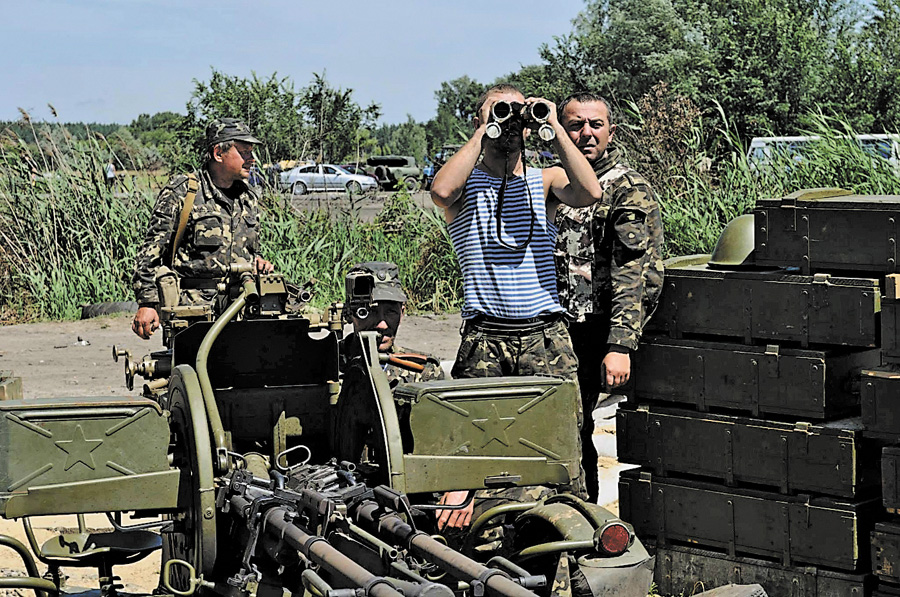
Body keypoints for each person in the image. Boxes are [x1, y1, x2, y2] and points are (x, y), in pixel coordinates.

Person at [430, 83, 603, 527]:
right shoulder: (467, 187)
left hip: (545, 336)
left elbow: (590, 191)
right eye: (498, 114)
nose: (510, 123)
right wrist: (487, 128)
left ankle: (570, 546)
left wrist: (550, 125)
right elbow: (441, 191)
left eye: (515, 115)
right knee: (478, 451)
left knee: (561, 449)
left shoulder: (543, 181)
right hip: (485, 337)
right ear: (478, 121)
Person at [552, 92, 665, 503]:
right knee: (562, 427)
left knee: (577, 426)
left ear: (610, 131)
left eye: (594, 125)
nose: (585, 134)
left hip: (595, 329)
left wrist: (619, 345)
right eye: (575, 125)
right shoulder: (555, 182)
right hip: (557, 327)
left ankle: (584, 519)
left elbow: (631, 273)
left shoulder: (625, 189)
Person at [131, 118, 274, 340]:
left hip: (242, 309)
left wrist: (259, 263)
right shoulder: (183, 193)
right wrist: (148, 303)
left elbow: (251, 251)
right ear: (219, 153)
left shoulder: (249, 197)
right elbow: (150, 254)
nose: (251, 159)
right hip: (194, 314)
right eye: (244, 152)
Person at [340, 261, 445, 386]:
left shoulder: (422, 370)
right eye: (371, 311)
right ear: (349, 312)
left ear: (402, 313)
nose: (382, 324)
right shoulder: (325, 365)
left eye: (390, 312)